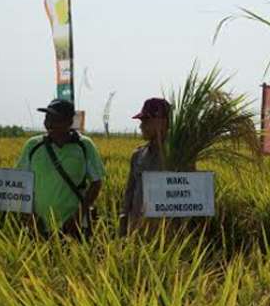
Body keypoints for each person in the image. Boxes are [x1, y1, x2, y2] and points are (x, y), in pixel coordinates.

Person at [15, 99, 105, 237]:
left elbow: (96, 183)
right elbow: (20, 183)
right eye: (47, 118)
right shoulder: (33, 146)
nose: (49, 124)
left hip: (75, 227)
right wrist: (28, 214)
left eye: (55, 119)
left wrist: (79, 215)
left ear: (69, 122)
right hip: (39, 226)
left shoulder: (84, 146)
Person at [119, 97, 172, 236]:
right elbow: (130, 192)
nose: (141, 127)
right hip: (137, 230)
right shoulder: (138, 155)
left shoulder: (179, 156)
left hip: (168, 234)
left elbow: (190, 196)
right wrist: (124, 219)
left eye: (146, 121)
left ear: (162, 122)